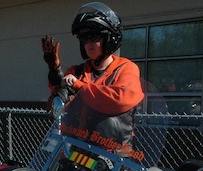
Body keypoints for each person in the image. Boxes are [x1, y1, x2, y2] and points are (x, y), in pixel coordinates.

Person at [42, 2, 144, 160]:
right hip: (79, 152)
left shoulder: (126, 68)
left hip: (114, 157)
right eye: (84, 39)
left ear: (109, 38)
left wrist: (78, 86)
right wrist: (54, 70)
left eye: (94, 37)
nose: (89, 43)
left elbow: (119, 99)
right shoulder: (76, 72)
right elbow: (57, 98)